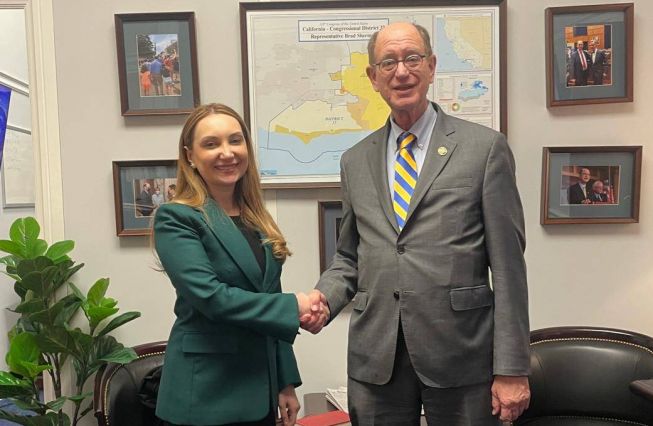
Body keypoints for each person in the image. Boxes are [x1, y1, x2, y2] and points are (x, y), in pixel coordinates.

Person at [301, 22, 530, 425]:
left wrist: (512, 367)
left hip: (461, 354)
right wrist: (323, 299)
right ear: (372, 77)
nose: (401, 71)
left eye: (412, 58)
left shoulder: (484, 149)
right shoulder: (355, 160)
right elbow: (349, 257)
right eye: (388, 62)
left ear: (432, 65)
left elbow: (509, 269)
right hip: (376, 358)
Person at [153, 103, 321, 426]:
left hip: (260, 393)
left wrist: (285, 381)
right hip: (205, 397)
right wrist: (295, 306)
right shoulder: (176, 217)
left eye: (235, 140)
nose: (227, 153)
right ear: (190, 156)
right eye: (211, 143)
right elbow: (213, 298)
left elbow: (269, 299)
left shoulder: (255, 217)